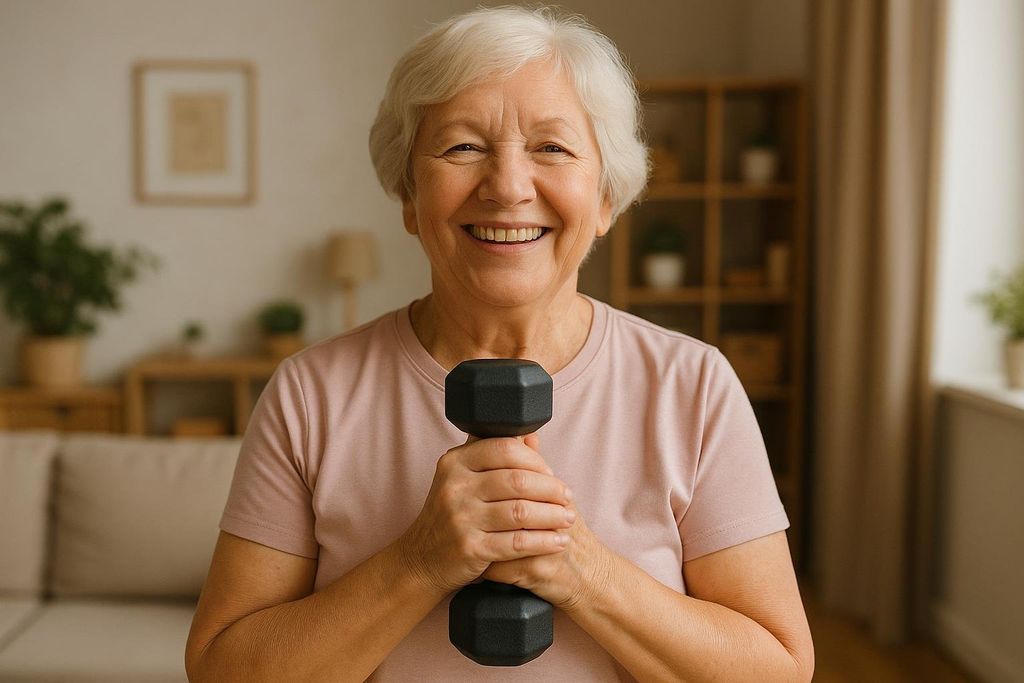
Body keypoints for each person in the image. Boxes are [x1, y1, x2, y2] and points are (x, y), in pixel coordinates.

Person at [185, 6, 814, 681]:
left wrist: (582, 568)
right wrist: (420, 560)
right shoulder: (312, 392)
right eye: (462, 147)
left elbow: (777, 668)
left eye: (551, 147)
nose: (508, 186)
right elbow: (224, 667)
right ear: (408, 193)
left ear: (604, 198)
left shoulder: (692, 386)